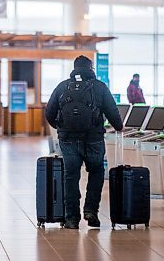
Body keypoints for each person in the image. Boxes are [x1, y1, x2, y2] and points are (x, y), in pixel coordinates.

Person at [45, 55, 123, 229]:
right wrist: (118, 126)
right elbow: (113, 112)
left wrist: (61, 127)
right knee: (96, 172)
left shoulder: (62, 86)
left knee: (70, 176)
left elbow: (49, 113)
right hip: (93, 138)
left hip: (68, 139)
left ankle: (72, 218)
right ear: (91, 69)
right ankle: (91, 211)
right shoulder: (100, 87)